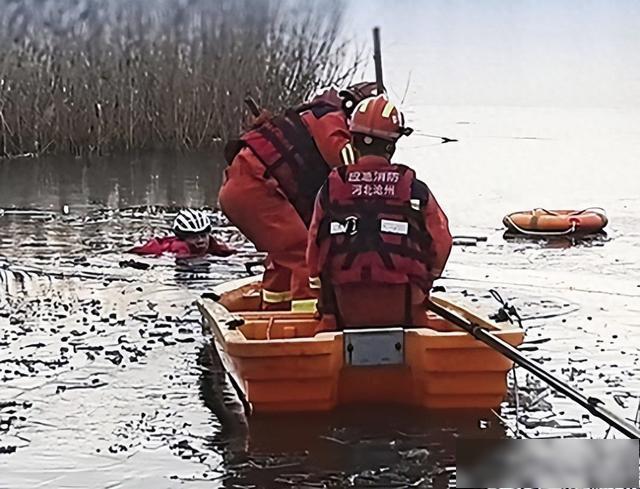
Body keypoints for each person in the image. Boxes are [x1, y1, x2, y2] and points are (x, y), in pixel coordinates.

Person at [219, 82, 378, 310]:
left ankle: (275, 310)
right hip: (256, 189)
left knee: (283, 256)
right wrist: (380, 169)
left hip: (245, 188)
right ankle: (309, 319)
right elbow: (348, 167)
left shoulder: (311, 117)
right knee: (305, 254)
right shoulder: (330, 120)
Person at [306, 94, 452, 327]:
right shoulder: (415, 189)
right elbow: (442, 241)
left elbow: (314, 249)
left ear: (353, 141)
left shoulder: (331, 189)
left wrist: (323, 299)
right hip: (405, 309)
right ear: (392, 145)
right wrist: (426, 283)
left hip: (344, 309)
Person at [130, 209, 236, 258]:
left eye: (203, 235)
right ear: (181, 239)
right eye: (194, 237)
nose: (200, 240)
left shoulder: (217, 247)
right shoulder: (164, 250)